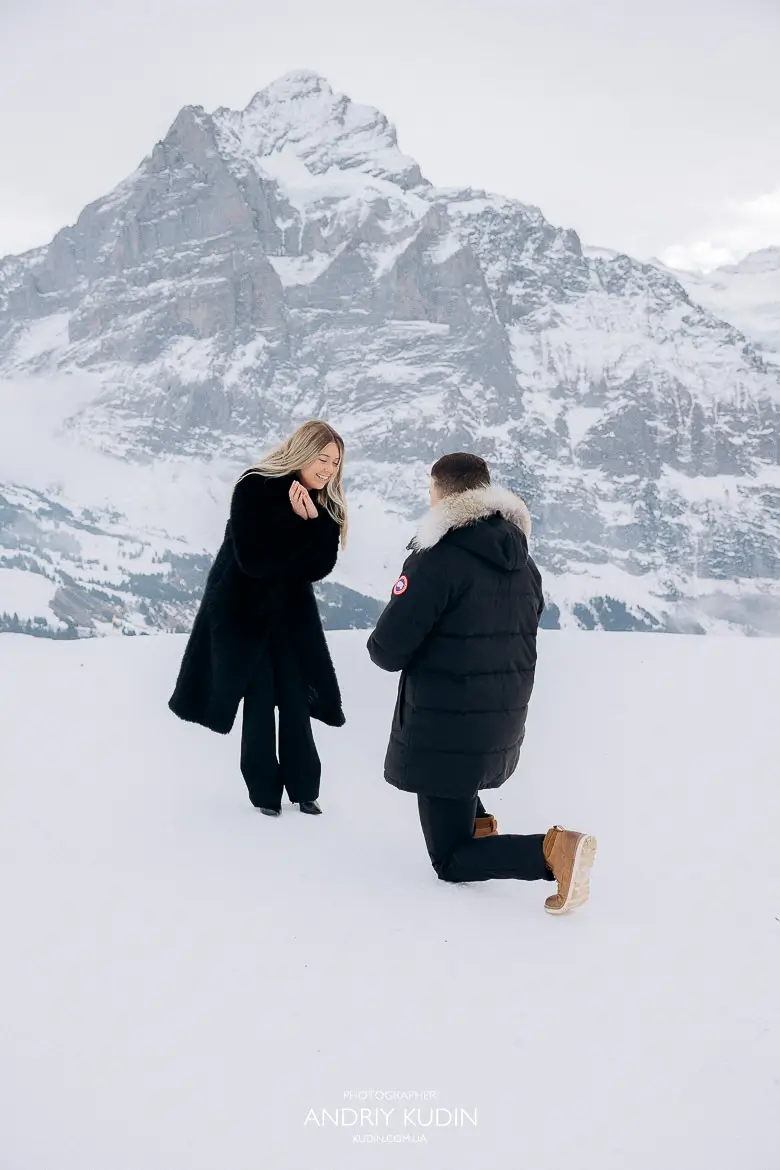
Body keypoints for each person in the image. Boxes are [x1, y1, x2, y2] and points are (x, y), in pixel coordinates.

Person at [367, 453, 597, 914]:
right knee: (460, 797)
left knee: (449, 859)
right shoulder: (523, 562)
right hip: (501, 720)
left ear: (440, 494)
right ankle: (480, 825)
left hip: (442, 728)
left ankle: (552, 851)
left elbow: (387, 651)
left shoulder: (436, 559)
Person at [168, 420, 347, 816]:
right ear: (302, 451)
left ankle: (305, 789)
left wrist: (312, 522)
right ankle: (264, 793)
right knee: (260, 700)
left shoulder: (325, 504)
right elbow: (254, 559)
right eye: (322, 459)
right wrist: (298, 525)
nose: (328, 470)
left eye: (335, 463)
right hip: (243, 610)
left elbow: (319, 565)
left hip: (290, 614)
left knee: (296, 697)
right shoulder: (255, 486)